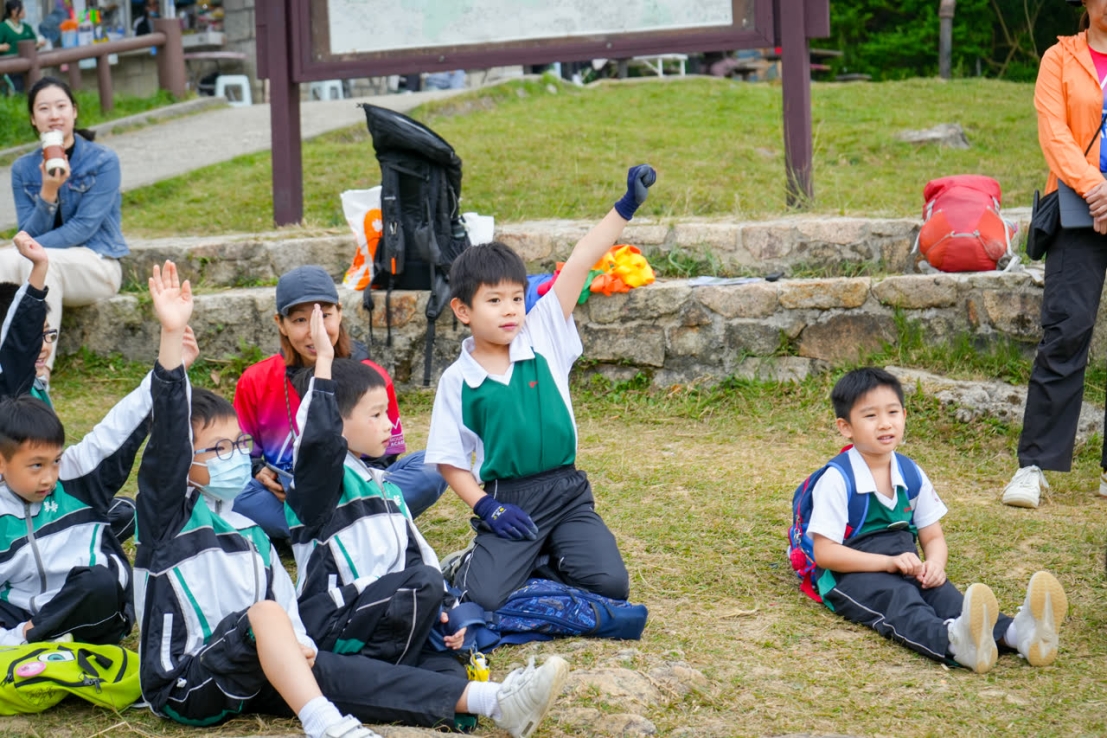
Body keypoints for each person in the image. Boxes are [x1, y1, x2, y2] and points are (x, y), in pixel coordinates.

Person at [136, 262, 570, 738]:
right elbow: (306, 447)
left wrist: (301, 642)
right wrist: (172, 338)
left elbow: (282, 599)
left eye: (240, 445)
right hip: (190, 679)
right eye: (219, 449)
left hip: (256, 660)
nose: (236, 456)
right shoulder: (166, 521)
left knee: (403, 655)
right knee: (285, 618)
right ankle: (326, 725)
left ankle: (494, 701)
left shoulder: (250, 531)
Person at [425, 165, 656, 612]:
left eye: (516, 298)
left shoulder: (543, 331)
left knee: (611, 584)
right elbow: (450, 461)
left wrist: (626, 206)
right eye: (494, 301)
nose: (511, 310)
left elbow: (583, 258)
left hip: (567, 492)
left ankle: (542, 556)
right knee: (484, 597)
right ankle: (471, 563)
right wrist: (487, 508)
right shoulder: (458, 380)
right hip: (509, 498)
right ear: (463, 310)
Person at [807, 367, 1068, 673]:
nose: (885, 423)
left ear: (904, 415)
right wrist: (887, 563)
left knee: (943, 594)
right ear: (845, 427)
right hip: (850, 572)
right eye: (870, 416)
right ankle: (953, 643)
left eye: (892, 412)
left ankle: (1017, 633)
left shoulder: (910, 473)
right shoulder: (838, 479)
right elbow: (825, 553)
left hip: (905, 563)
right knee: (900, 598)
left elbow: (932, 537)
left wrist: (935, 564)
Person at [287, 316, 463, 672]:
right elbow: (317, 443)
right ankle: (370, 673)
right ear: (336, 421)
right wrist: (324, 360)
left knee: (451, 669)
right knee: (424, 585)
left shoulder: (385, 485)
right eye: (377, 414)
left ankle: (394, 673)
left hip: (385, 613)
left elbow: (418, 554)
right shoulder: (321, 485)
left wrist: (446, 607)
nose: (389, 424)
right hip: (334, 618)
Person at [233, 265, 446, 541]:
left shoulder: (372, 376)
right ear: (280, 323)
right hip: (293, 497)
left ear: (340, 312)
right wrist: (259, 471)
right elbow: (242, 454)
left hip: (360, 488)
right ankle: (362, 524)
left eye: (324, 316)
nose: (315, 331)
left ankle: (324, 529)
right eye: (300, 320)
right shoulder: (255, 380)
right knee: (235, 492)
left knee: (437, 464)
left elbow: (384, 455)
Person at [0, 300, 168, 646]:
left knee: (101, 580)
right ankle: (38, 638)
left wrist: (170, 352)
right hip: (21, 608)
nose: (49, 477)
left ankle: (31, 639)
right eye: (36, 465)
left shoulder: (76, 476)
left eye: (55, 461)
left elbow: (119, 426)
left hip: (89, 610)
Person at [1004, 0, 1107, 508]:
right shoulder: (1059, 58)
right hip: (1075, 207)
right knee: (1066, 329)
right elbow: (1055, 135)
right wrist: (1097, 189)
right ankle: (1034, 466)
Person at [3, 77, 128, 373]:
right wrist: (48, 192)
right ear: (33, 119)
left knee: (41, 261)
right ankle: (5, 373)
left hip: (98, 264)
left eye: (61, 106)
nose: (54, 115)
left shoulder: (102, 160)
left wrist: (25, 248)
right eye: (44, 108)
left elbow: (84, 227)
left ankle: (38, 376)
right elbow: (29, 232)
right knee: (5, 261)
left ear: (74, 111)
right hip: (48, 262)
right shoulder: (22, 169)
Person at [0, 1, 45, 94]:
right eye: (21, 9)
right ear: (13, 11)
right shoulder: (3, 27)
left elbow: (33, 45)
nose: (24, 11)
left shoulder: (27, 27)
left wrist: (38, 45)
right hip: (9, 68)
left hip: (27, 67)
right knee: (16, 90)